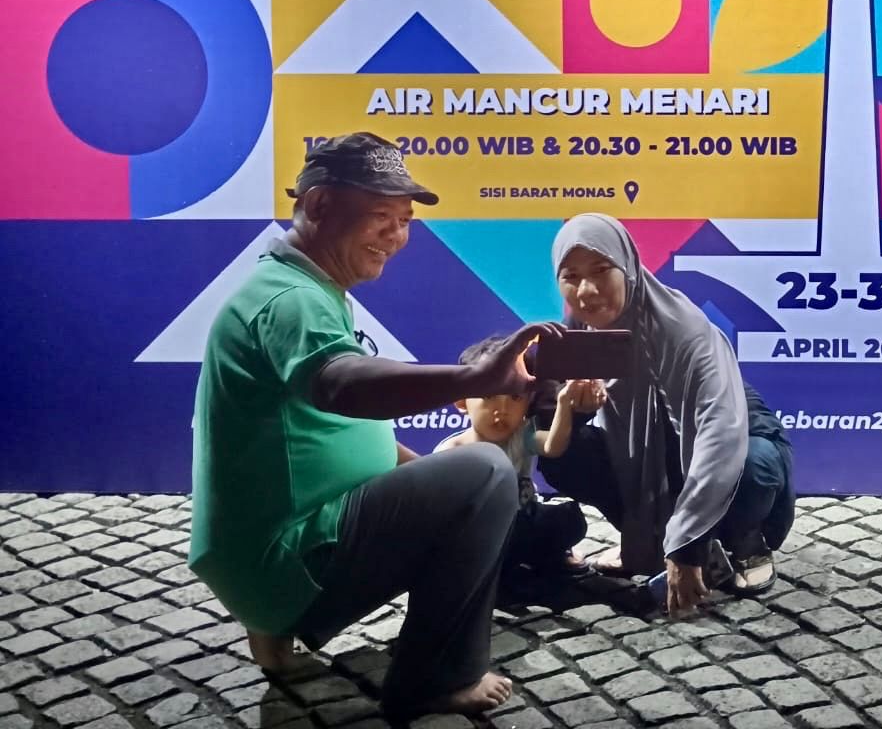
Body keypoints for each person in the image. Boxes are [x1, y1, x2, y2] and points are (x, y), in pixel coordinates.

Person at [188, 132, 547, 718]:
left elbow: (325, 431)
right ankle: (438, 677)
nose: (396, 236)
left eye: (404, 221)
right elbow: (341, 385)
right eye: (381, 216)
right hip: (285, 566)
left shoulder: (299, 287)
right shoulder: (291, 300)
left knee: (470, 481)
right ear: (319, 205)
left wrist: (443, 489)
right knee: (487, 471)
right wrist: (473, 379)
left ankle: (273, 632)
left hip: (262, 561)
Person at [536, 214, 796, 616]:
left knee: (750, 465)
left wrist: (686, 547)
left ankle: (745, 542)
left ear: (628, 267)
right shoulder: (578, 327)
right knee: (567, 453)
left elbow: (718, 433)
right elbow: (551, 418)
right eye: (571, 276)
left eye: (601, 270)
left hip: (728, 425)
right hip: (652, 446)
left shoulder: (683, 329)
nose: (586, 291)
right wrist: (575, 409)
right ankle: (646, 539)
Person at [434, 338, 599, 603]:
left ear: (528, 401)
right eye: (488, 396)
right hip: (483, 535)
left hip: (523, 521)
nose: (502, 410)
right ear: (462, 401)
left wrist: (564, 405)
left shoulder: (521, 435)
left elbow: (553, 446)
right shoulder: (450, 452)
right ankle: (498, 581)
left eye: (514, 397)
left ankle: (545, 559)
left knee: (570, 521)